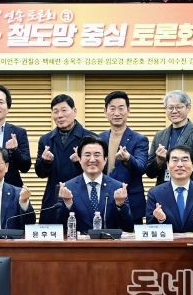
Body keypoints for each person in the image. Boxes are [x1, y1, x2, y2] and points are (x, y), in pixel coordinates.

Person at [35, 94, 95, 223]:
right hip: (53, 197)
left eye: (64, 110)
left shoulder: (91, 138)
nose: (59, 115)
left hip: (81, 195)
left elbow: (99, 172)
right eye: (55, 111)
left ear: (74, 111)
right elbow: (40, 173)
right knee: (51, 233)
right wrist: (45, 162)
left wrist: (80, 162)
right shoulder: (46, 139)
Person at [56, 136, 134, 233]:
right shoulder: (67, 188)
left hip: (109, 241)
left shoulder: (118, 187)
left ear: (105, 160)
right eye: (87, 155)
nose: (92, 160)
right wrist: (67, 204)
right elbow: (59, 228)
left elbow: (128, 228)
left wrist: (120, 205)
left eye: (97, 155)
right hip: (78, 242)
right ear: (79, 159)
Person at [99, 91, 149, 223]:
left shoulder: (139, 139)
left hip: (131, 202)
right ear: (105, 112)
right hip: (103, 201)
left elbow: (142, 167)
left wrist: (128, 159)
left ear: (128, 111)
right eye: (112, 108)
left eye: (121, 108)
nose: (117, 113)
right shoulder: (98, 139)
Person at [147, 145, 193, 233]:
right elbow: (149, 229)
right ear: (168, 166)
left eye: (184, 160)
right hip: (168, 242)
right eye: (175, 160)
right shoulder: (155, 193)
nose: (180, 165)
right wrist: (160, 220)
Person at [146, 90, 193, 186]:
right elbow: (150, 173)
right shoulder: (159, 136)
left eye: (179, 107)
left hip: (188, 191)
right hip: (164, 190)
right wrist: (158, 161)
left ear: (188, 108)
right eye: (170, 107)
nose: (174, 111)